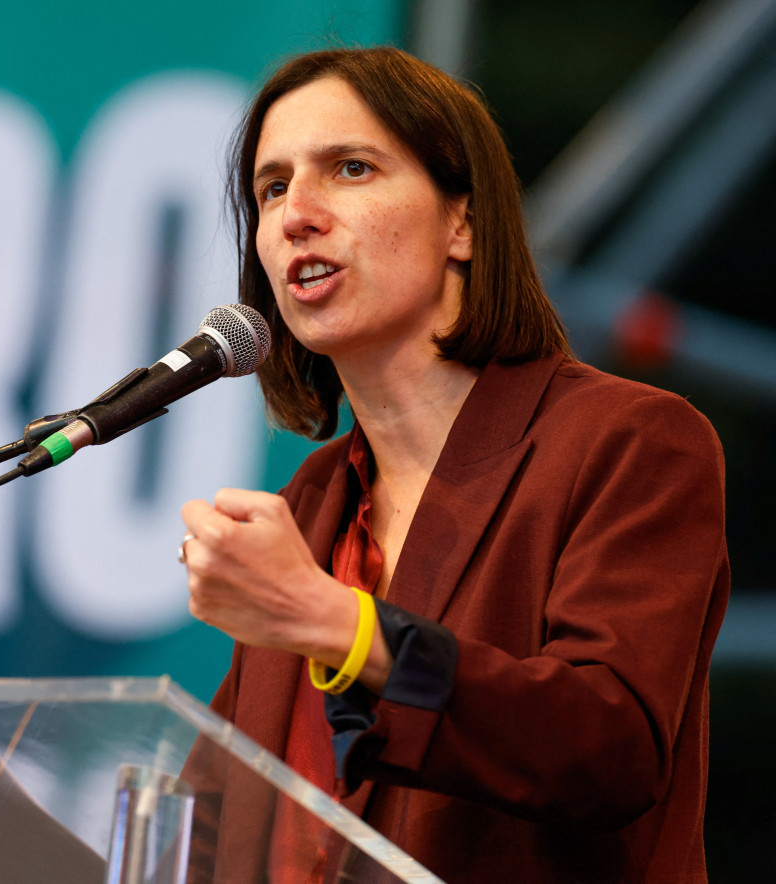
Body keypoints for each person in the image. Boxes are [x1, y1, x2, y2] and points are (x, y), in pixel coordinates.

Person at [179, 46, 728, 883]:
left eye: (350, 169)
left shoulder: (628, 441)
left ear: (462, 223)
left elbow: (606, 747)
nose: (296, 214)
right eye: (273, 187)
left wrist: (344, 626)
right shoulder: (317, 501)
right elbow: (211, 826)